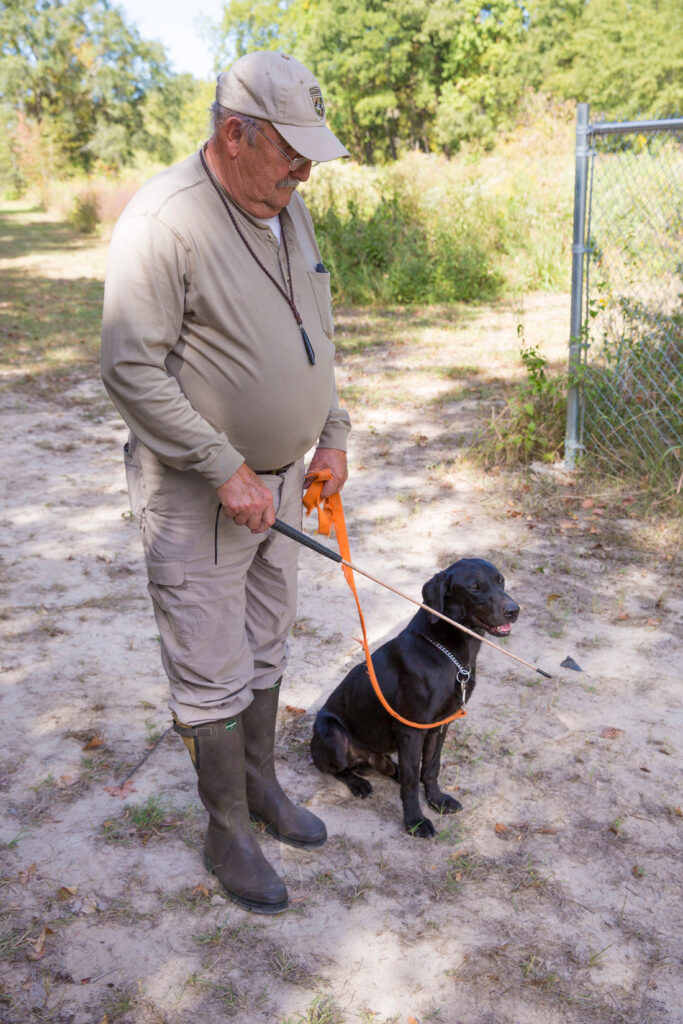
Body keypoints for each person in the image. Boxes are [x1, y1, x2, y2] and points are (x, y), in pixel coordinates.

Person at [101, 51, 351, 914]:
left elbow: (316, 327)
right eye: (290, 149)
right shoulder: (164, 221)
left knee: (266, 642)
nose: (303, 167)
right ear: (233, 132)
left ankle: (264, 791)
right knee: (211, 665)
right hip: (198, 492)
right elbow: (130, 369)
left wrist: (332, 435)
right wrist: (222, 466)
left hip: (281, 485)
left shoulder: (289, 206)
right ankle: (227, 830)